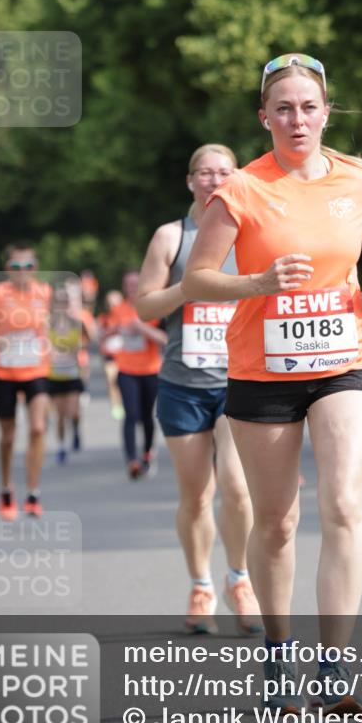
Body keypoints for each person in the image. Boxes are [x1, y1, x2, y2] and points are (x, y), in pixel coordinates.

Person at [182, 54, 362, 715]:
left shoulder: (359, 181)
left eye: (308, 106)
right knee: (275, 524)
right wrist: (256, 283)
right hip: (262, 372)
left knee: (342, 503)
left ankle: (332, 667)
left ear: (326, 112)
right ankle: (277, 647)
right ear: (264, 118)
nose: (297, 118)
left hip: (344, 362)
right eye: (283, 108)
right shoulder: (240, 190)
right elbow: (196, 279)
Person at [136, 144, 262, 637]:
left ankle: (240, 579)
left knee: (236, 486)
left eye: (224, 173)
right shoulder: (172, 236)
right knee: (196, 494)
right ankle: (200, 584)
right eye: (205, 173)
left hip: (240, 381)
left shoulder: (250, 232)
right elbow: (145, 308)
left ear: (237, 179)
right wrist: (190, 288)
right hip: (183, 384)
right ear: (190, 181)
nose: (214, 180)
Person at [0, 242, 52, 519]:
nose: (22, 271)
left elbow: (52, 323)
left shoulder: (44, 292)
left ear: (35, 268)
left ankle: (33, 492)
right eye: (16, 266)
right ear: (7, 269)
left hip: (36, 368)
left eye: (27, 266)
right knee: (8, 436)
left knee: (38, 428)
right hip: (3, 371)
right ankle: (6, 489)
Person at [99, 271, 167, 479]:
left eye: (136, 284)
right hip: (126, 370)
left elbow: (165, 339)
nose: (132, 288)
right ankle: (132, 460)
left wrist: (142, 329)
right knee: (131, 415)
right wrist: (115, 330)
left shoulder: (152, 309)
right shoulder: (118, 310)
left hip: (150, 370)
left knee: (147, 416)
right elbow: (101, 336)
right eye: (128, 284)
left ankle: (146, 452)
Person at [46, 281, 97, 463]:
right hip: (55, 374)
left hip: (73, 372)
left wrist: (80, 341)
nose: (63, 305)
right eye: (59, 301)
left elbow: (91, 340)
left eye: (65, 301)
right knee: (59, 414)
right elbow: (43, 345)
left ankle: (75, 429)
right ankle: (61, 447)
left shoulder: (77, 322)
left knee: (73, 412)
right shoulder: (49, 324)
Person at [97, 290, 126, 420]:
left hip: (125, 355)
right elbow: (99, 336)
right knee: (112, 381)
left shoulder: (127, 315)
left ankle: (125, 402)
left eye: (115, 303)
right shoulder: (103, 318)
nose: (113, 306)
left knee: (123, 382)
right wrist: (112, 331)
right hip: (110, 355)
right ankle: (116, 405)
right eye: (110, 303)